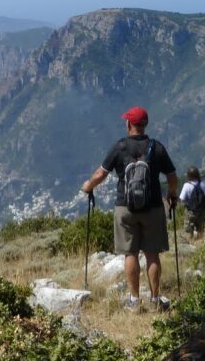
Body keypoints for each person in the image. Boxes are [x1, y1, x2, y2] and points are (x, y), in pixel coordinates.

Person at [81, 106, 179, 312]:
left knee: (130, 253)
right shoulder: (156, 147)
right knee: (152, 254)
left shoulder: (120, 147)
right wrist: (171, 193)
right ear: (145, 125)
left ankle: (134, 301)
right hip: (152, 207)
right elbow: (172, 176)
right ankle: (154, 300)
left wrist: (88, 186)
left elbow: (101, 173)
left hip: (125, 208)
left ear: (129, 125)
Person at [179, 166, 205, 238]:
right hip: (201, 211)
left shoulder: (187, 185)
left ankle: (190, 242)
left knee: (189, 228)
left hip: (190, 211)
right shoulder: (203, 184)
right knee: (200, 228)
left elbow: (182, 198)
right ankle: (200, 242)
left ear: (189, 176)